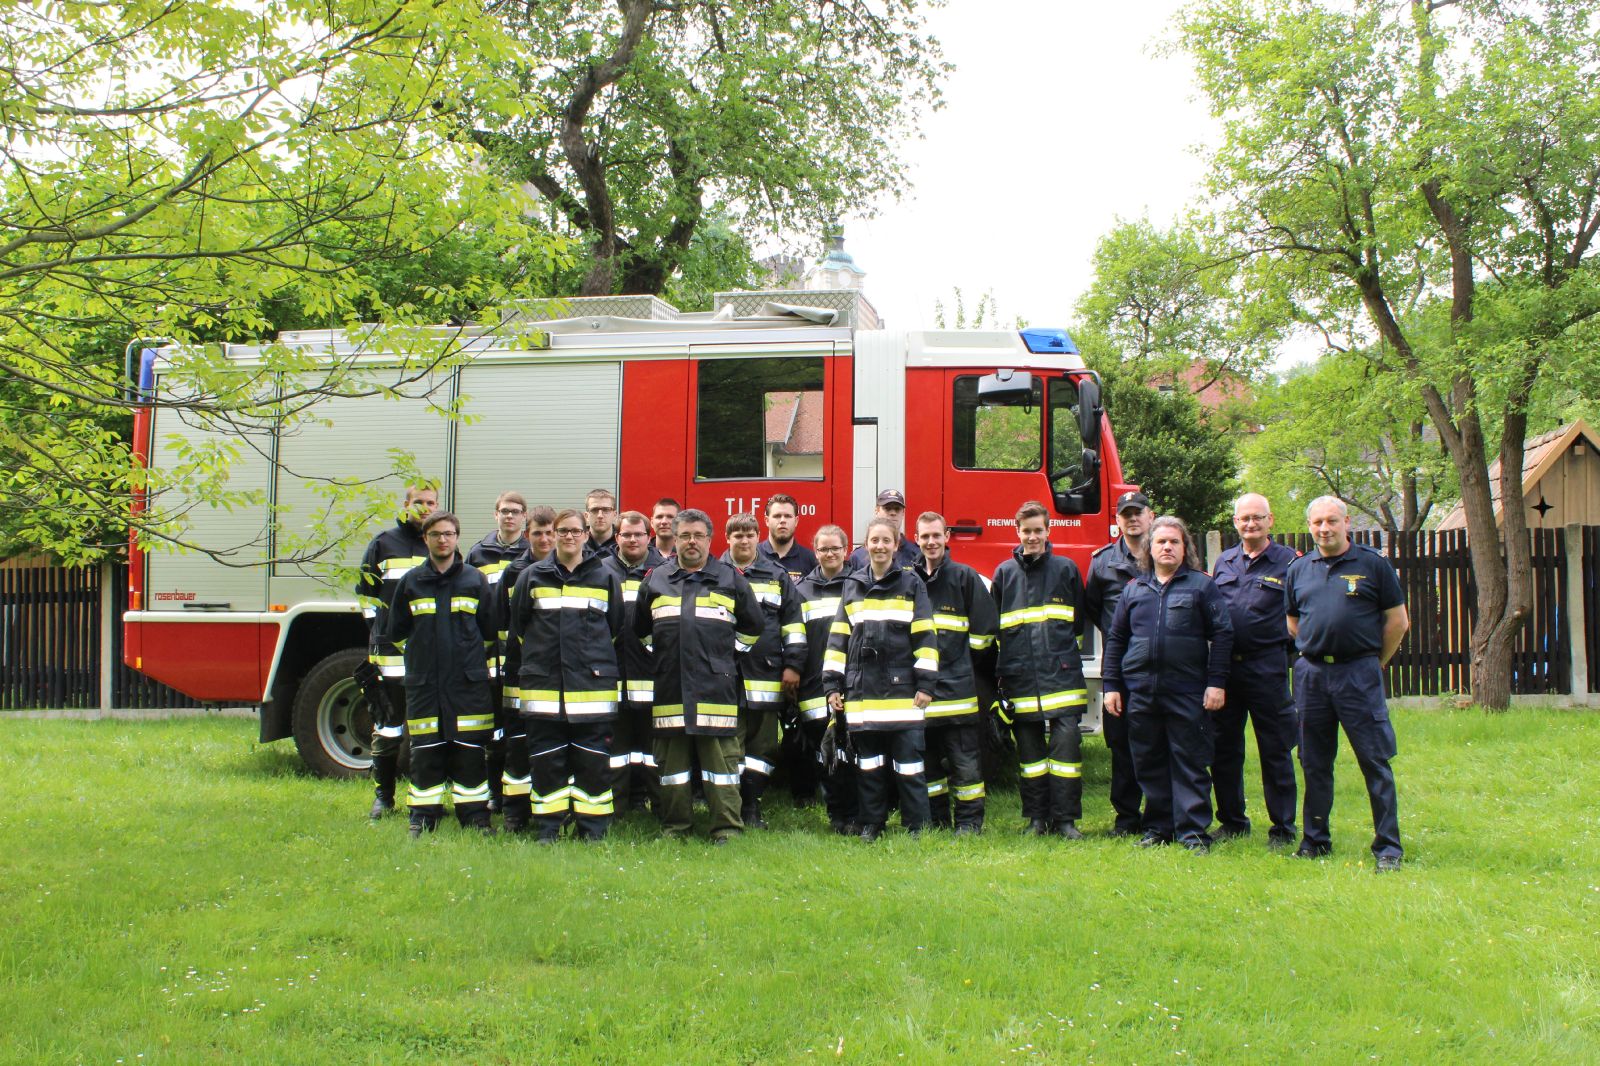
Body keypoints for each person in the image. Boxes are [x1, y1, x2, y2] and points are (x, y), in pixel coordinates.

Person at [1286, 496, 1410, 872]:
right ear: (1310, 526)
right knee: (1314, 761)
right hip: (1311, 677)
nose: (1324, 529)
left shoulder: (1373, 565)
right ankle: (1315, 841)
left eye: (1331, 521)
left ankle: (1388, 848)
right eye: (1317, 522)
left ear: (1347, 522)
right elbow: (1294, 622)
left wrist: (1373, 662)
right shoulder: (1299, 569)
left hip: (1358, 674)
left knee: (1374, 760)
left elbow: (1398, 622)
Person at [1101, 516, 1233, 852]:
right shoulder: (1134, 589)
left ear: (1185, 547)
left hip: (1187, 690)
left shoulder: (1202, 586)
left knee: (1190, 761)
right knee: (1149, 761)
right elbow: (1116, 639)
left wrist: (1216, 682)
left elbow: (1222, 634)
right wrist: (1111, 685)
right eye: (1161, 542)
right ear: (1150, 548)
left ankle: (1193, 832)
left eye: (1175, 542)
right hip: (1142, 692)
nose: (1168, 547)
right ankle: (1158, 828)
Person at [634, 508, 764, 843]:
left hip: (715, 688)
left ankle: (727, 829)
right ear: (674, 539)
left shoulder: (730, 578)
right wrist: (666, 658)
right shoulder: (655, 579)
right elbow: (642, 631)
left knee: (722, 766)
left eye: (698, 536)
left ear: (710, 539)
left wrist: (726, 657)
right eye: (685, 536)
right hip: (671, 688)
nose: (691, 542)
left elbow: (753, 627)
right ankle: (675, 828)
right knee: (672, 768)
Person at [505, 508, 625, 842]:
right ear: (553, 535)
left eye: (575, 531)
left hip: (592, 690)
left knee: (593, 763)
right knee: (547, 762)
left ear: (586, 535)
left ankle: (592, 829)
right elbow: (519, 629)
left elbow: (615, 628)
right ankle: (548, 828)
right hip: (543, 689)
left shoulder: (605, 577)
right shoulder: (531, 577)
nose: (569, 536)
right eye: (562, 531)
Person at [380, 510, 498, 838]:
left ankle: (476, 819)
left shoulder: (474, 580)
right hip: (425, 684)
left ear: (457, 538)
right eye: (435, 534)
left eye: (448, 534)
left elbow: (489, 631)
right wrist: (421, 657)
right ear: (425, 539)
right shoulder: (411, 582)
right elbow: (397, 632)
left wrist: (467, 659)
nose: (442, 540)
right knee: (425, 753)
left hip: (466, 685)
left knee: (470, 753)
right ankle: (422, 819)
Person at [824, 517, 938, 841]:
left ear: (896, 545)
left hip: (904, 693)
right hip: (862, 693)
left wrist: (926, 684)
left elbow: (925, 635)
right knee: (869, 765)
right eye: (874, 540)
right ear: (866, 545)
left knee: (910, 766)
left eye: (886, 540)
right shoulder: (852, 585)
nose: (880, 546)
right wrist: (832, 684)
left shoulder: (911, 583)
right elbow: (838, 637)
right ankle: (872, 823)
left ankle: (917, 826)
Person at [990, 501, 1091, 838]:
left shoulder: (1066, 569)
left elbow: (1077, 623)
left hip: (1061, 676)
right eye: (1026, 531)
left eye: (1038, 530)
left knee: (1066, 753)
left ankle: (1065, 821)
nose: (1032, 537)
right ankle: (1036, 819)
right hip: (1020, 677)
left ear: (1048, 531)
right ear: (1017, 532)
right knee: (1030, 757)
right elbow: (996, 626)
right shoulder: (1004, 574)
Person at [1210, 492, 1301, 847]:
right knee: (1224, 749)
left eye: (1257, 517)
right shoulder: (1225, 562)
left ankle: (1283, 828)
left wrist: (1282, 649)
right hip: (1227, 669)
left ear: (1270, 520)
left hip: (1267, 668)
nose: (1250, 524)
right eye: (1244, 518)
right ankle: (1232, 821)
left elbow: (1301, 614)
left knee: (1275, 749)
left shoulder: (1289, 562)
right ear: (1235, 523)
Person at [913, 512, 998, 834]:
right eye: (925, 536)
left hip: (958, 692)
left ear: (947, 536)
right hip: (923, 694)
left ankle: (969, 823)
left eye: (936, 535)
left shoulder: (964, 577)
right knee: (928, 764)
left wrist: (962, 661)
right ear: (916, 539)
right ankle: (936, 821)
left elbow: (985, 630)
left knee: (965, 765)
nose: (931, 542)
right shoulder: (909, 580)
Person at [354, 483, 436, 819]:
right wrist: (379, 631)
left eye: (431, 503)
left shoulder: (440, 543)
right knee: (388, 727)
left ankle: (422, 798)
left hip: (428, 655)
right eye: (419, 502)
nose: (425, 508)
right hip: (388, 654)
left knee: (425, 731)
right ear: (406, 505)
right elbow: (366, 595)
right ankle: (384, 798)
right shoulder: (383, 543)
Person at [721, 513, 805, 828]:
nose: (744, 540)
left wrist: (793, 665)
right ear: (727, 539)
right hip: (724, 676)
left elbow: (793, 625)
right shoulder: (713, 573)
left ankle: (752, 805)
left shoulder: (777, 576)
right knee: (728, 745)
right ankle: (729, 806)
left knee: (763, 746)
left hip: (765, 675)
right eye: (738, 535)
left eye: (749, 535)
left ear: (758, 537)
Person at [1084, 490, 1154, 836]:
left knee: (1156, 742)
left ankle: (1159, 816)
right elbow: (1093, 608)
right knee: (1121, 744)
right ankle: (1126, 819)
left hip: (1158, 665)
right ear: (1117, 521)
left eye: (1138, 512)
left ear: (1151, 516)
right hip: (1120, 666)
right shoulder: (1102, 562)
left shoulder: (1166, 552)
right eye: (1126, 514)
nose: (1132, 518)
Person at [465, 491, 532, 815]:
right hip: (490, 657)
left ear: (524, 517)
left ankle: (519, 795)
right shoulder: (478, 553)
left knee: (521, 732)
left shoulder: (532, 553)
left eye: (515, 511)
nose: (509, 516)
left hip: (520, 659)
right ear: (496, 515)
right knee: (495, 732)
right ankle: (494, 793)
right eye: (504, 511)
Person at [793, 524, 861, 834]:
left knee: (855, 751)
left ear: (846, 550)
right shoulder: (801, 591)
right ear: (815, 551)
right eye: (823, 549)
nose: (830, 553)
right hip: (814, 685)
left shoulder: (860, 585)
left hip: (854, 682)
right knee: (826, 752)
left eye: (835, 548)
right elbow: (795, 640)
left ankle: (858, 813)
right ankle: (837, 815)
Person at [492, 505, 556, 832]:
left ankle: (550, 809)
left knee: (551, 746)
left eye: (550, 532)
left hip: (555, 676)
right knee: (517, 745)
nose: (544, 539)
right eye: (538, 533)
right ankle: (515, 812)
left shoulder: (571, 570)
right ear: (527, 534)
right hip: (519, 673)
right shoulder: (514, 572)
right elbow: (500, 623)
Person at [604, 510, 665, 814]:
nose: (632, 540)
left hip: (653, 675)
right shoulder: (601, 571)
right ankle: (617, 808)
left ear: (648, 537)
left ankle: (661, 807)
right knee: (616, 751)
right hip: (612, 675)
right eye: (626, 534)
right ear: (616, 538)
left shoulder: (664, 572)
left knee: (655, 751)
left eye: (638, 534)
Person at [845, 489, 920, 572]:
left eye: (897, 509)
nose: (893, 513)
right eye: (887, 508)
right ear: (877, 511)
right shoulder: (858, 557)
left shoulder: (917, 554)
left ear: (903, 513)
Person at [758, 493, 818, 583]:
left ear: (796, 521)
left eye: (788, 516)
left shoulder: (811, 560)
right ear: (767, 521)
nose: (782, 520)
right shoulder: (753, 556)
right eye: (777, 516)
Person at [584, 488, 619, 558]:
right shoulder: (577, 542)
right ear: (586, 516)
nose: (600, 515)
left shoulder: (623, 542)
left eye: (606, 510)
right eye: (594, 510)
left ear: (614, 515)